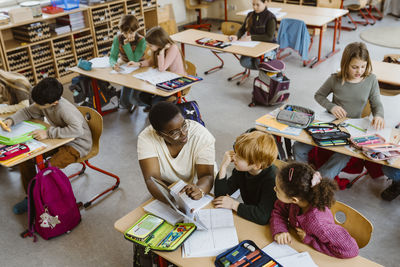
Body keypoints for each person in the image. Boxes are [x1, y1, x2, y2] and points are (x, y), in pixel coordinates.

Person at [293, 42, 384, 180]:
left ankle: (318, 180)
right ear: (345, 64)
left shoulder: (371, 80)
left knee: (343, 155)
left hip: (353, 129)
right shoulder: (335, 79)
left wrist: (379, 116)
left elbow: (377, 103)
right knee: (298, 147)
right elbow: (319, 95)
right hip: (331, 125)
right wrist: (331, 107)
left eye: (363, 66)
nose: (359, 71)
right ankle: (303, 177)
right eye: (354, 67)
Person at [1, 78, 92, 215]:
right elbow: (27, 111)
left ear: (54, 102)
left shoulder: (64, 109)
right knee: (26, 160)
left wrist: (48, 133)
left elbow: (77, 130)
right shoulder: (44, 101)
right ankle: (32, 197)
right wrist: (11, 120)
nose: (36, 105)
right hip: (60, 139)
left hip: (78, 145)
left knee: (48, 168)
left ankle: (50, 201)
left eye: (39, 104)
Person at [270, 162, 359, 259]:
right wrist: (280, 230)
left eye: (277, 189)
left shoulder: (318, 223)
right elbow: (279, 211)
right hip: (296, 246)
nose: (274, 189)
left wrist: (310, 240)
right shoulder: (294, 201)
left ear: (294, 199)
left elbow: (351, 250)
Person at [137, 101, 215, 202]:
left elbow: (207, 176)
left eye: (184, 125)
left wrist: (199, 190)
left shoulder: (201, 136)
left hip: (198, 185)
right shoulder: (146, 138)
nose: (183, 133)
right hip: (168, 188)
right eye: (175, 133)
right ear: (160, 134)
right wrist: (172, 202)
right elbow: (152, 179)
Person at [213, 130, 278, 225]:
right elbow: (220, 196)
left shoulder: (272, 180)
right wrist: (223, 167)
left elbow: (263, 216)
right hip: (248, 216)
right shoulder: (241, 170)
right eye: (236, 152)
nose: (234, 158)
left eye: (239, 157)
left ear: (256, 165)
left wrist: (234, 204)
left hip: (269, 225)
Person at [138, 26, 187, 108]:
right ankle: (157, 108)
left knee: (155, 102)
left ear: (158, 43)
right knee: (142, 96)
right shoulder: (158, 48)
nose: (148, 47)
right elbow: (151, 61)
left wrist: (162, 51)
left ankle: (166, 105)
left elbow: (162, 68)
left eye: (150, 45)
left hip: (177, 80)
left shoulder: (172, 48)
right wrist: (138, 64)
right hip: (164, 78)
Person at [109, 14, 146, 112]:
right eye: (125, 33)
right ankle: (130, 101)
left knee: (134, 99)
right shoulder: (118, 38)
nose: (128, 36)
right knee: (124, 103)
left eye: (131, 33)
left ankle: (151, 103)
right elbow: (112, 56)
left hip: (139, 68)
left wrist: (126, 45)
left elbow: (133, 60)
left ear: (136, 29)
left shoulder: (141, 41)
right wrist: (114, 64)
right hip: (126, 68)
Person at [229, 0, 277, 70]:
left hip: (268, 45)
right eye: (253, 4)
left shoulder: (270, 17)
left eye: (257, 5)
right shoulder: (250, 15)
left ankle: (267, 72)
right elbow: (242, 29)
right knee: (244, 62)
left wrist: (251, 38)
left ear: (265, 3)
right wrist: (236, 36)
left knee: (259, 62)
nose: (254, 7)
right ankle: (264, 69)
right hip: (253, 44)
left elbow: (269, 37)